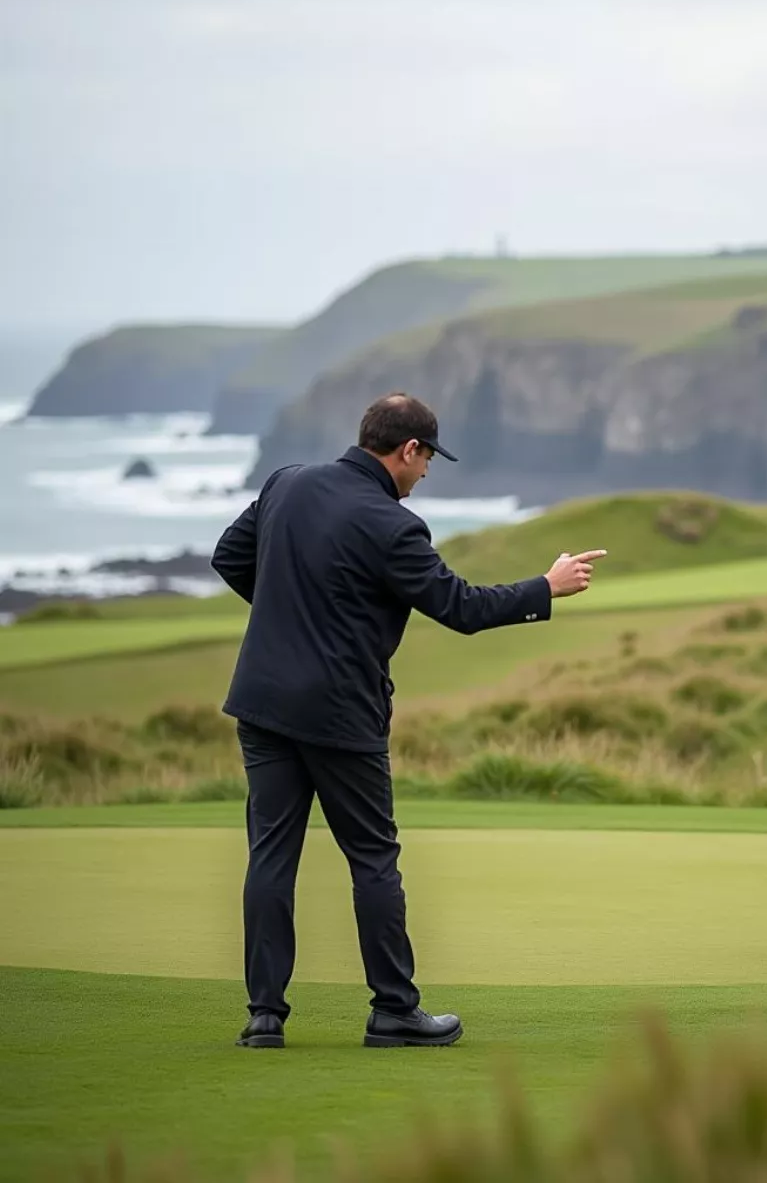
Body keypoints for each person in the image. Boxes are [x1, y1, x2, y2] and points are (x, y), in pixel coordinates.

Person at [211, 392, 606, 1049]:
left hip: (263, 702)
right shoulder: (392, 526)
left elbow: (231, 557)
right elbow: (463, 608)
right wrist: (546, 587)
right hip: (340, 713)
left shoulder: (287, 484)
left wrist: (296, 615)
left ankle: (264, 1017)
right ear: (408, 450)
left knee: (271, 857)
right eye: (426, 463)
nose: (424, 476)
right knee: (373, 860)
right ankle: (393, 1010)